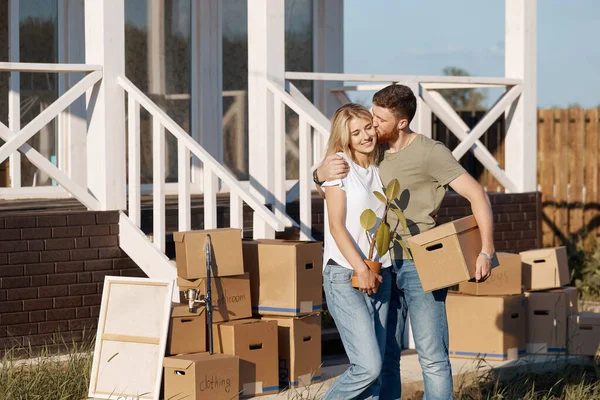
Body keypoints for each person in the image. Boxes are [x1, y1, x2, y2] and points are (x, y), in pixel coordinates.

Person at [314, 85, 495, 400]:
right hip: (380, 265)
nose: (372, 125)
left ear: (401, 122)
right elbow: (342, 187)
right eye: (371, 117)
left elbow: (477, 194)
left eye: (379, 120)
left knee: (432, 355)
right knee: (383, 359)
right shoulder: (375, 151)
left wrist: (486, 250)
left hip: (421, 262)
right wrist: (318, 174)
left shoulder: (430, 152)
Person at [320, 103, 392, 400]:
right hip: (346, 273)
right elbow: (337, 227)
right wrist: (361, 269)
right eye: (355, 132)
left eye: (368, 127)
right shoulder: (338, 167)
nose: (365, 136)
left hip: (379, 272)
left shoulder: (379, 168)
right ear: (345, 137)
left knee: (373, 383)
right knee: (369, 367)